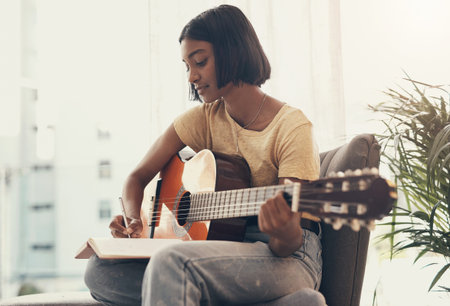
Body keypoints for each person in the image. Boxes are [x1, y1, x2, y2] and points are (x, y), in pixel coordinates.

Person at [85, 4, 326, 306]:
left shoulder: (292, 127)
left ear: (233, 52)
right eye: (187, 66)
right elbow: (137, 177)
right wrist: (135, 223)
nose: (191, 77)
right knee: (99, 271)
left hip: (289, 258)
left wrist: (281, 228)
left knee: (172, 265)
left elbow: (287, 243)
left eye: (199, 62)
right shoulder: (204, 118)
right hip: (216, 255)